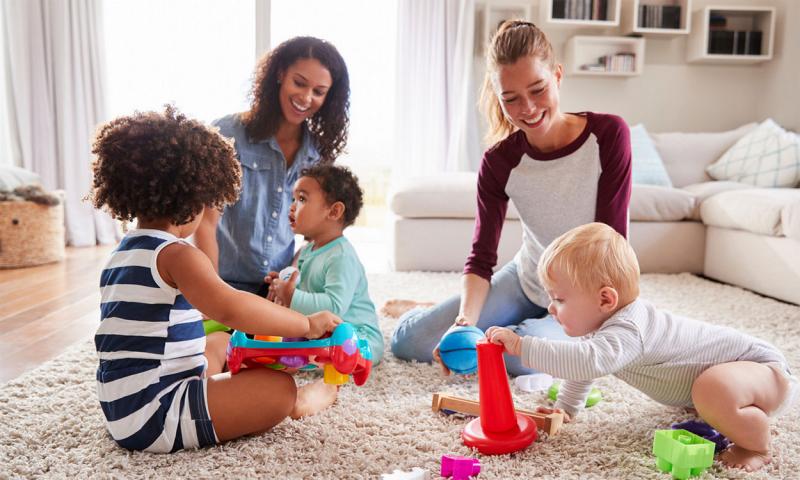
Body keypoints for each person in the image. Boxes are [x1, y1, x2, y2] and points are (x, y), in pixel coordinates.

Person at [89, 106, 342, 453]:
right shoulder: (178, 255)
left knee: (221, 342)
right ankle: (302, 399)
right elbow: (232, 306)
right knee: (278, 389)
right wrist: (306, 324)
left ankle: (225, 383)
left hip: (124, 404)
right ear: (194, 202)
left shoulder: (124, 251)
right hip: (157, 414)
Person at [389, 20, 632, 376]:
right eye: (511, 99)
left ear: (558, 76)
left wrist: (591, 312)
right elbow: (481, 257)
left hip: (582, 296)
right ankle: (426, 310)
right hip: (526, 281)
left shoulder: (608, 135)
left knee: (520, 358)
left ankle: (521, 329)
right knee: (410, 344)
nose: (528, 109)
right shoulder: (500, 161)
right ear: (497, 96)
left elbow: (611, 243)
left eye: (537, 89)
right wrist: (463, 321)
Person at [486, 222, 798, 472]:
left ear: (606, 299)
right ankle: (719, 405)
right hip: (740, 378)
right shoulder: (601, 327)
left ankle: (755, 445)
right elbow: (584, 367)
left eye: (560, 299)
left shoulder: (630, 327)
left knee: (712, 388)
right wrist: (566, 408)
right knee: (709, 391)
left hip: (762, 371)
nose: (551, 308)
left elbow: (588, 361)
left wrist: (521, 346)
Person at [195, 36, 350, 296]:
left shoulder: (319, 155)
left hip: (277, 288)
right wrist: (212, 294)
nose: (306, 97)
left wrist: (289, 279)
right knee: (218, 338)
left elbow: (317, 236)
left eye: (319, 92)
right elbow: (204, 224)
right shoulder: (227, 133)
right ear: (280, 74)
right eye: (299, 83)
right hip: (222, 285)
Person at [266, 165, 384, 366]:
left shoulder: (342, 256)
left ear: (334, 211)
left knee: (340, 349)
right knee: (282, 337)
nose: (292, 206)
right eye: (293, 199)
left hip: (357, 333)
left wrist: (292, 296)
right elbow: (309, 287)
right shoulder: (309, 250)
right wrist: (284, 285)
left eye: (302, 199)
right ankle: (308, 356)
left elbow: (334, 307)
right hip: (323, 330)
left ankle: (317, 358)